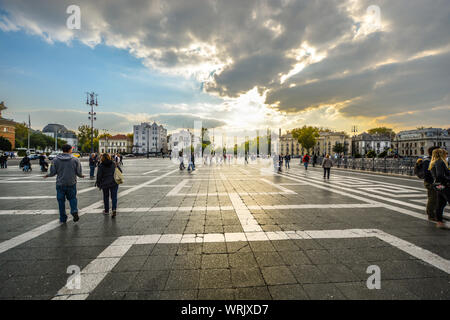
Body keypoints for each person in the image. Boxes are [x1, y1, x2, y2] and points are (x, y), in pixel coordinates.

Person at [44, 144, 83, 223]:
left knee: (61, 201)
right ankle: (74, 211)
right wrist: (81, 176)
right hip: (71, 183)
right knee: (72, 198)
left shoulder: (55, 160)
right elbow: (78, 172)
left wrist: (47, 175)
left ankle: (63, 218)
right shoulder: (75, 159)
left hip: (60, 183)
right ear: (70, 150)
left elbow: (53, 172)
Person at [415, 146, 439, 221]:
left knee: (437, 198)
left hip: (434, 182)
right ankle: (431, 215)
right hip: (431, 182)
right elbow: (427, 174)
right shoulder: (427, 161)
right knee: (432, 198)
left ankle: (435, 213)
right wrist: (433, 182)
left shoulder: (432, 160)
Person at [429, 148, 450, 229]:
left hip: (438, 185)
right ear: (441, 154)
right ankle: (439, 222)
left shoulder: (433, 163)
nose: (446, 155)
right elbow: (440, 175)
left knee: (440, 204)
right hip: (444, 185)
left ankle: (439, 222)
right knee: (441, 203)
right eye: (445, 153)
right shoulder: (440, 162)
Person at [96, 153, 122, 218]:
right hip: (114, 182)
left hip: (105, 183)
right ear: (109, 157)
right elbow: (120, 171)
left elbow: (99, 175)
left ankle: (107, 211)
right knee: (114, 196)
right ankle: (114, 209)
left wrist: (98, 183)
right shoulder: (114, 164)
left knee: (106, 197)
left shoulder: (101, 165)